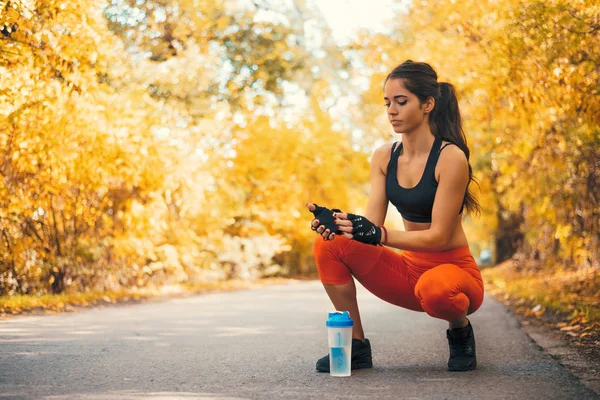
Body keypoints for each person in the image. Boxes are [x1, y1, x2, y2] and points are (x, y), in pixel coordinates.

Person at [307, 60, 484, 373]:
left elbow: (439, 236)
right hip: (407, 272)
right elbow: (371, 227)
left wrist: (380, 235)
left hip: (454, 276)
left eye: (402, 102)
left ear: (427, 104)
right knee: (328, 246)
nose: (392, 110)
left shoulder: (451, 157)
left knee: (435, 288)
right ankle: (356, 347)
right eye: (388, 103)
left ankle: (459, 330)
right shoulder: (384, 156)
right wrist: (340, 225)